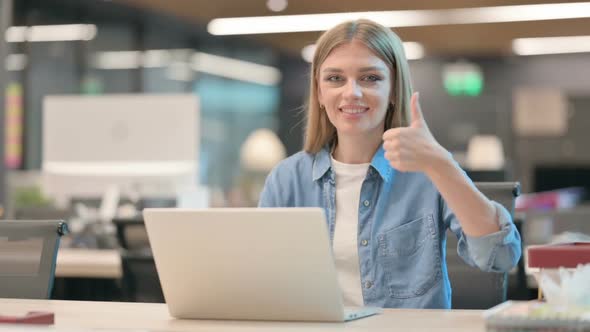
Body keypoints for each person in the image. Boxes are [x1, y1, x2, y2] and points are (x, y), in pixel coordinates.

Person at [258, 19, 521, 309]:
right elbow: (262, 282)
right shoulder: (286, 180)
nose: (352, 92)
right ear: (319, 93)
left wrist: (440, 163)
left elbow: (500, 257)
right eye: (335, 79)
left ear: (394, 90)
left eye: (370, 78)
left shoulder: (428, 170)